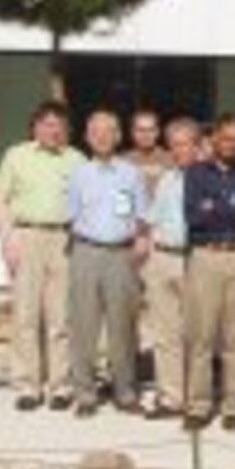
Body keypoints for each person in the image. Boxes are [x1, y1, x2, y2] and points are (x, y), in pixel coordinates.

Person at [0, 101, 83, 412]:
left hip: (63, 238)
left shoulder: (76, 159)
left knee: (60, 317)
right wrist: (7, 241)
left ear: (66, 129)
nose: (52, 130)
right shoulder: (16, 156)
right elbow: (0, 200)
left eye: (58, 124)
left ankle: (60, 385)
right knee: (26, 316)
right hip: (26, 236)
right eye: (46, 124)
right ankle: (28, 385)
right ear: (35, 127)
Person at [183, 114, 235, 431]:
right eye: (225, 138)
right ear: (214, 139)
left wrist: (214, 205)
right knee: (201, 335)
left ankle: (233, 405)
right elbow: (194, 215)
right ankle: (199, 404)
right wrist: (226, 205)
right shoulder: (195, 173)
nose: (231, 144)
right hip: (206, 257)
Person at [66, 108, 148, 416]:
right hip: (86, 252)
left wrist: (138, 240)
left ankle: (125, 391)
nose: (102, 137)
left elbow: (139, 215)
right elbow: (71, 216)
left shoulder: (130, 173)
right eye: (95, 131)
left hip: (121, 254)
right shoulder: (78, 173)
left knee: (123, 325)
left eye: (108, 131)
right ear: (87, 136)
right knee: (84, 324)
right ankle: (85, 394)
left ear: (118, 136)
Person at [141, 118, 197, 418]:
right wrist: (149, 255)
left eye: (184, 144)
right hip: (162, 256)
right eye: (173, 145)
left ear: (197, 146)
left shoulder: (206, 178)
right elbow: (153, 220)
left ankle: (196, 398)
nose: (178, 150)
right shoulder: (167, 179)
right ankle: (171, 398)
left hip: (192, 259)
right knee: (165, 334)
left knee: (195, 334)